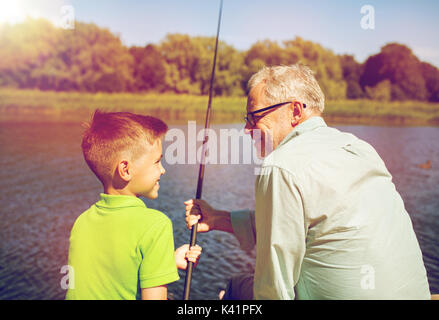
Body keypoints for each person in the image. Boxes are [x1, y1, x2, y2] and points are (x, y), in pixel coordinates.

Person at [185, 64, 431, 300]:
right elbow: (300, 226)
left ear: (294, 111)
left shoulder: (280, 165)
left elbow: (274, 288)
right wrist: (218, 219)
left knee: (237, 287)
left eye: (254, 117)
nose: (246, 129)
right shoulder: (359, 148)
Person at [66, 110, 201, 300]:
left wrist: (166, 261)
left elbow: (108, 276)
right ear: (126, 169)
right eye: (157, 161)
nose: (162, 170)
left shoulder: (81, 223)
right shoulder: (156, 225)